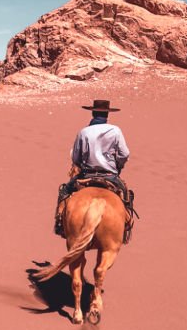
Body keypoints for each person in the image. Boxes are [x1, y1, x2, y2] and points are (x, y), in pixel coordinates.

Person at [55, 99, 134, 237]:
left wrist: (80, 164)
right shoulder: (115, 130)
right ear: (107, 115)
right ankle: (126, 226)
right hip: (110, 175)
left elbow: (75, 157)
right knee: (126, 195)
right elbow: (125, 154)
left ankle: (60, 224)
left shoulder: (84, 132)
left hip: (86, 175)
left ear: (93, 113)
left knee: (64, 191)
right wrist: (118, 165)